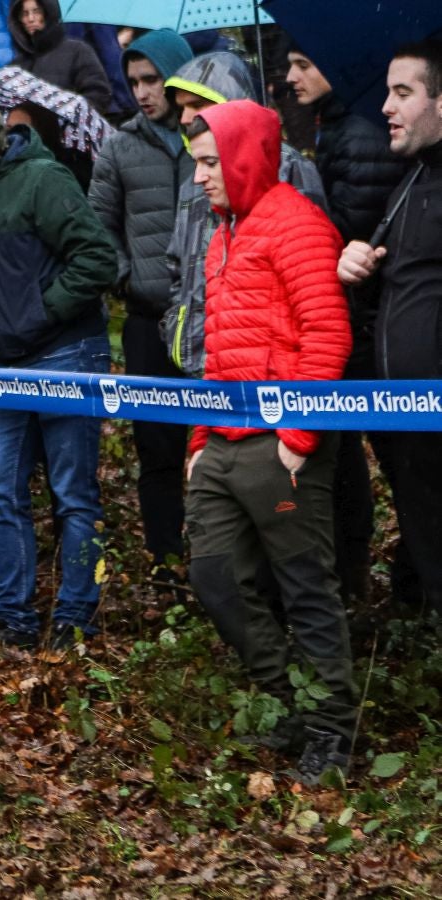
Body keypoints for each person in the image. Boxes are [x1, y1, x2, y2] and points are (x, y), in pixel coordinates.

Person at [183, 100, 357, 785]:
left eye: (206, 164)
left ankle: (330, 730)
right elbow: (215, 353)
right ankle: (284, 704)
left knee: (305, 585)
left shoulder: (297, 225)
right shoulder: (220, 232)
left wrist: (297, 438)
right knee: (213, 575)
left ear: (241, 158)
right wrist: (199, 438)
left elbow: (326, 335)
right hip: (222, 442)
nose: (198, 179)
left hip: (281, 446)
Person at [0, 83, 118, 650]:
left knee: (73, 493)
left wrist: (39, 315)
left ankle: (75, 617)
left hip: (69, 351)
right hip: (9, 362)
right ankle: (14, 614)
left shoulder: (43, 179)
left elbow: (98, 259)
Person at [285, 47, 411, 610]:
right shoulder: (337, 126)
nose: (291, 76)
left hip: (364, 321)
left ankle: (405, 586)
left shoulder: (359, 134)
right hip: (361, 321)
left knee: (396, 461)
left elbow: (344, 231)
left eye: (304, 63)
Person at [336, 38, 442, 617]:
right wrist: (359, 265)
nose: (386, 107)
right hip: (407, 433)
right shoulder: (406, 184)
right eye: (387, 91)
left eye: (403, 92)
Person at [87, 29, 194, 589]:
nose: (142, 92)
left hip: (213, 321)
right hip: (149, 322)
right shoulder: (119, 146)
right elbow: (98, 229)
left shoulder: (209, 137)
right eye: (133, 82)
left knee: (221, 440)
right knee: (156, 446)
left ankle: (222, 556)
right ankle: (166, 558)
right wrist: (130, 279)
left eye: (152, 80)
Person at [161, 51, 327, 377]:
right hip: (204, 370)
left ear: (232, 102)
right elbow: (177, 267)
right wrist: (177, 326)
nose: (184, 117)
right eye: (181, 107)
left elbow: (315, 284)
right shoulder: (194, 178)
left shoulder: (290, 168)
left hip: (266, 383)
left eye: (196, 105)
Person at [7, 0, 112, 114]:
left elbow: (98, 94)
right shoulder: (15, 66)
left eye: (37, 11)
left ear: (49, 12)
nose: (30, 19)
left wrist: (68, 117)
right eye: (24, 14)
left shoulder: (77, 51)